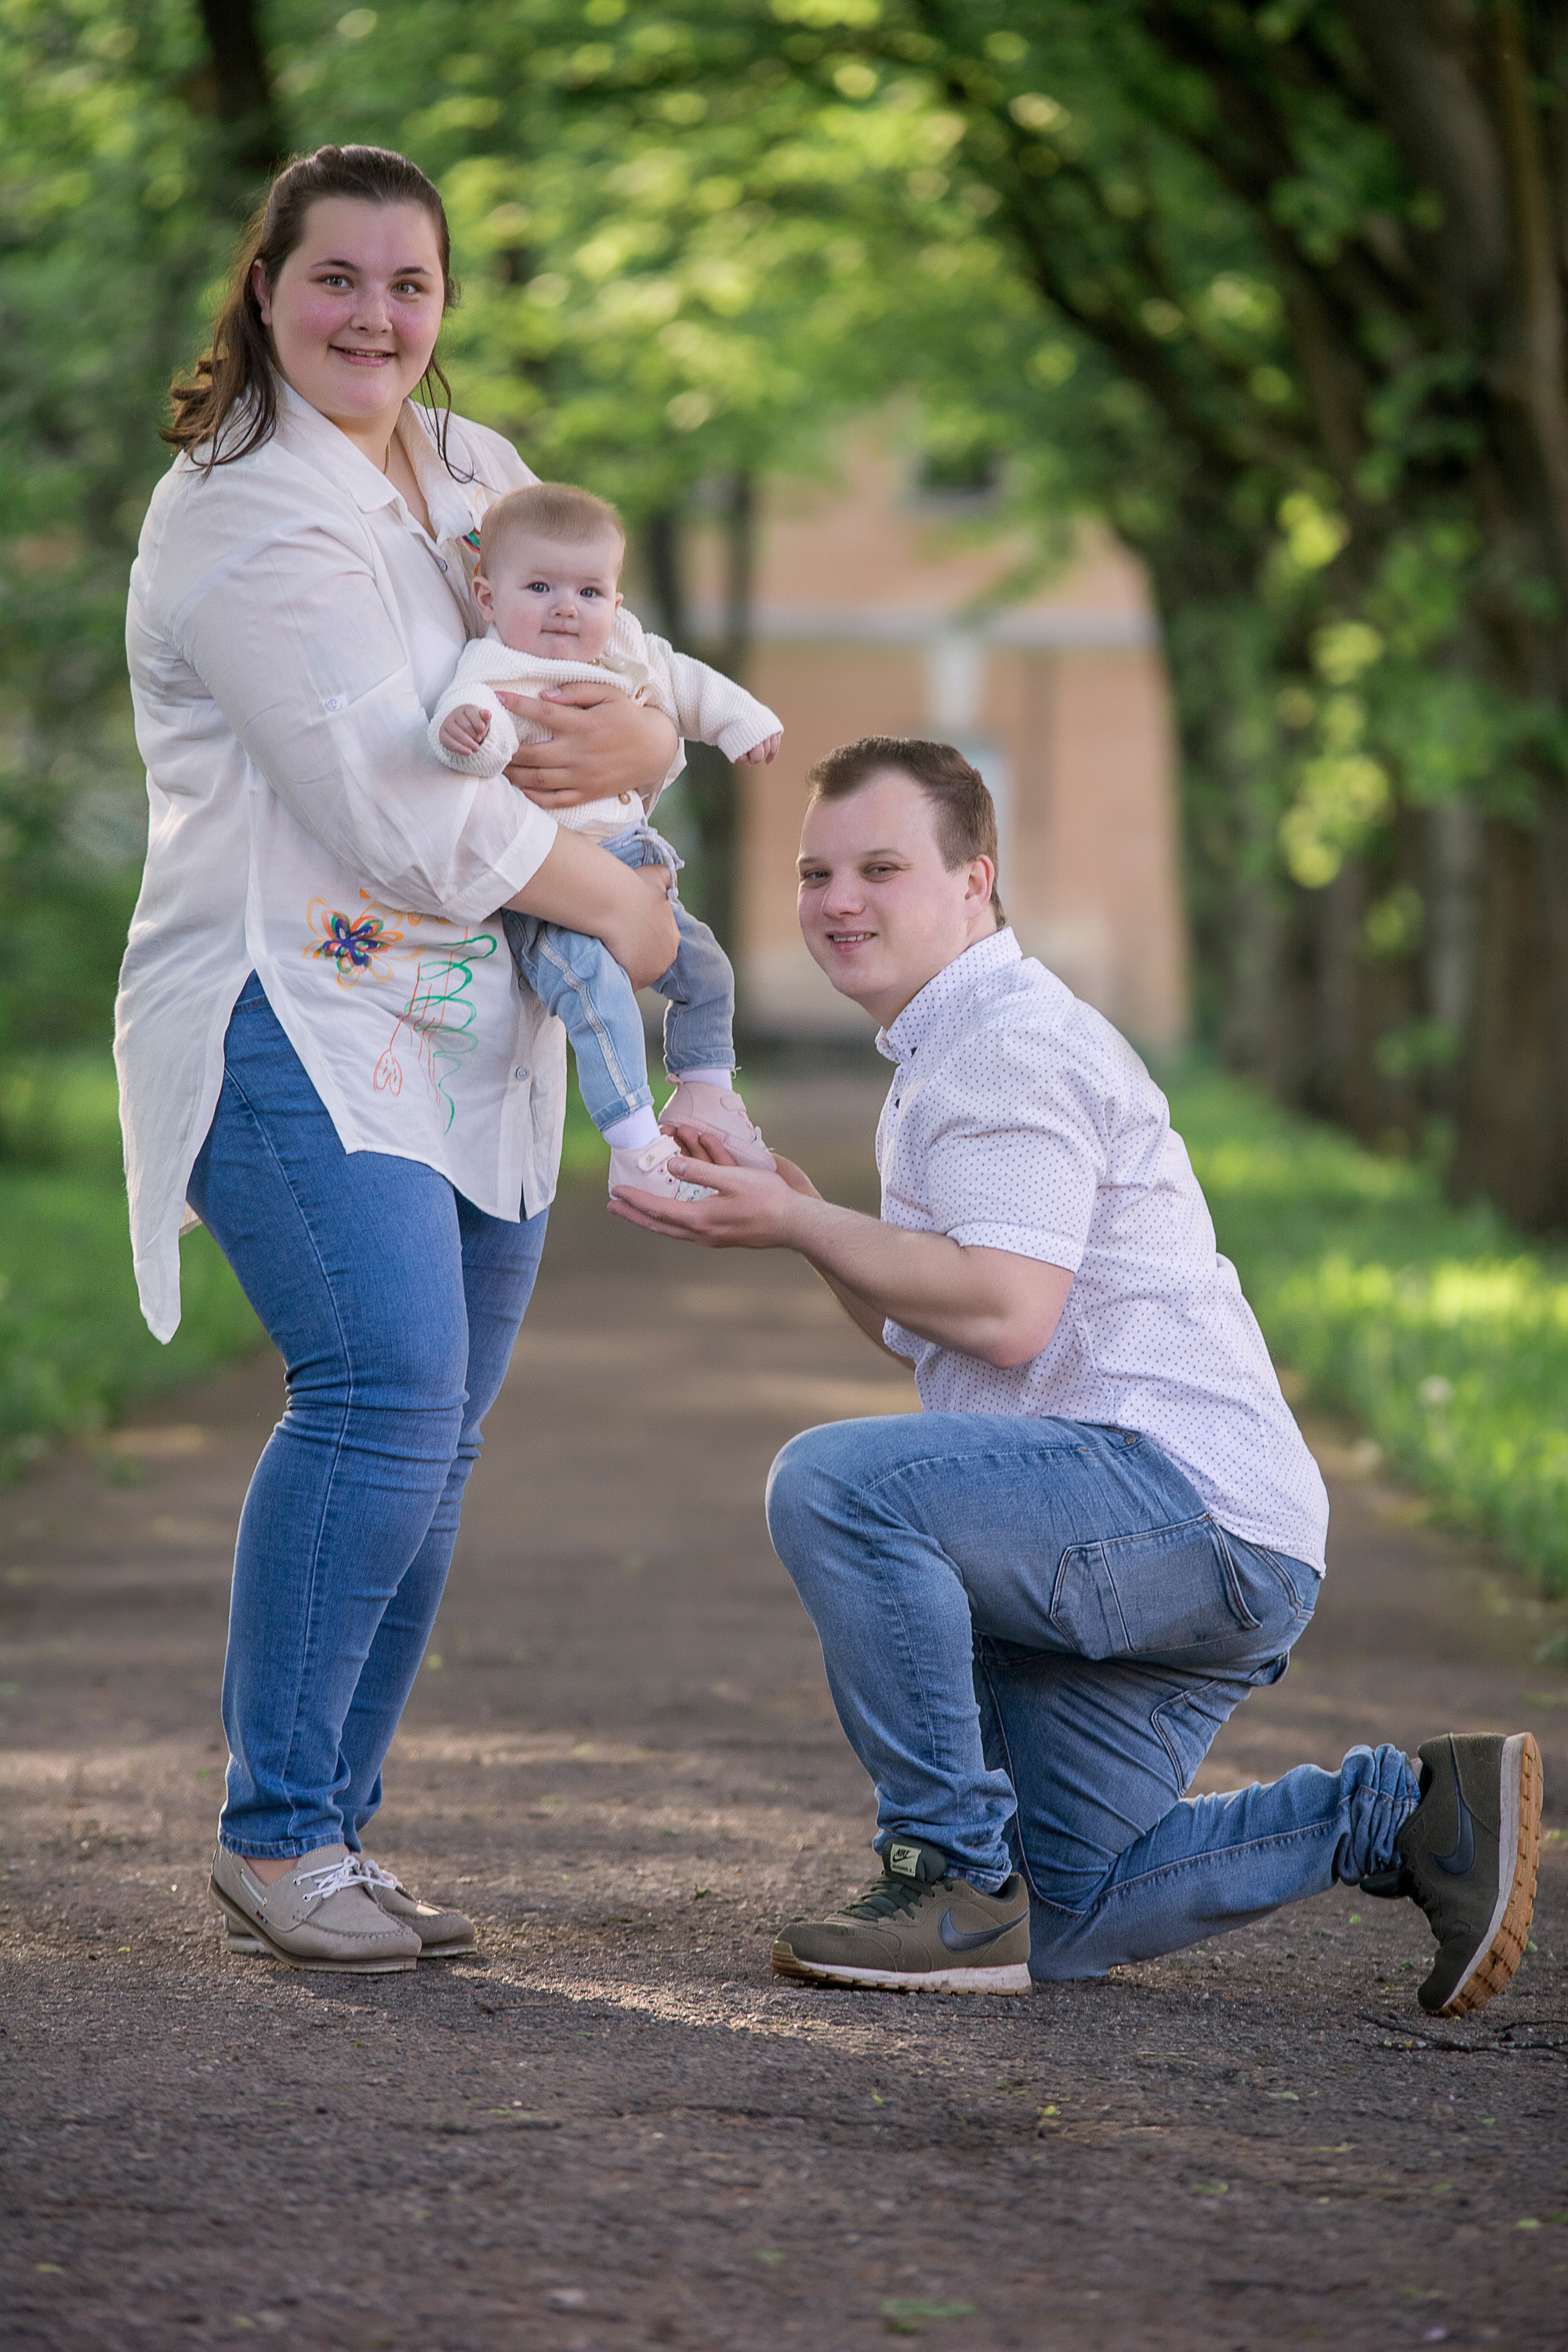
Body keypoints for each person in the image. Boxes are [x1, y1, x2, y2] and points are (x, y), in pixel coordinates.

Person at [610, 735, 1543, 2018]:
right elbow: (928, 1324)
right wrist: (795, 1199)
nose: (839, 900)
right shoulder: (956, 1048)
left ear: (976, 880)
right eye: (816, 871)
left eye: (882, 866)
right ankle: (1406, 1815)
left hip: (1174, 1508)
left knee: (834, 1486)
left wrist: (799, 1227)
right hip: (1182, 1533)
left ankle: (942, 1871)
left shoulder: (1007, 1049)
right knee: (1073, 1912)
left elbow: (1003, 1313)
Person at [118, 143, 684, 1975]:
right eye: (337, 277)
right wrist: (625, 906)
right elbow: (398, 821)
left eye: (409, 283)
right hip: (289, 1003)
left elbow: (629, 689)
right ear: (265, 286)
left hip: (469, 1023)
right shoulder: (233, 516)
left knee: (433, 1439)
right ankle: (275, 1834)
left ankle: (332, 1835)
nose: (375, 314)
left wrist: (627, 755)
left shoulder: (475, 472)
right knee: (377, 1388)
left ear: (444, 303)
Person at [429, 480, 783, 1200]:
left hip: (630, 856)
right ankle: (635, 1146)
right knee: (599, 1000)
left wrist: (742, 723)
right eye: (540, 586)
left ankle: (707, 1090)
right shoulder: (493, 664)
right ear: (488, 598)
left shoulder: (625, 652)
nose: (567, 607)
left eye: (591, 592)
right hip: (552, 887)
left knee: (708, 971)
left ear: (617, 604)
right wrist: (472, 736)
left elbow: (688, 685)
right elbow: (472, 719)